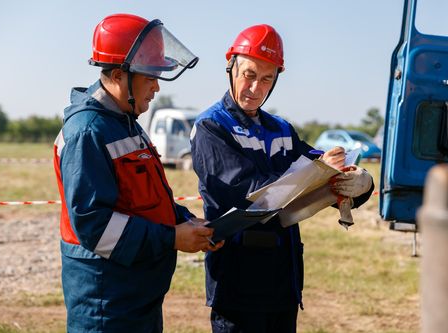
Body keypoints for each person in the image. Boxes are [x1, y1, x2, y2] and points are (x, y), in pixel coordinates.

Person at [190, 24, 374, 333]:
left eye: (267, 79)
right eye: (249, 74)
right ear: (231, 67)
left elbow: (321, 167)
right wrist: (317, 172)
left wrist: (357, 182)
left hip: (283, 281)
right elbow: (249, 195)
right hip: (238, 281)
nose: (255, 88)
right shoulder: (211, 127)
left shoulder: (282, 129)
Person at [53, 13, 222, 333]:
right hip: (106, 307)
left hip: (136, 300)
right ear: (119, 75)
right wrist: (172, 238)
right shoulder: (88, 132)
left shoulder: (125, 123)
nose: (157, 87)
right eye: (150, 76)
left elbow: (149, 199)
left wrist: (186, 221)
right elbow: (95, 226)